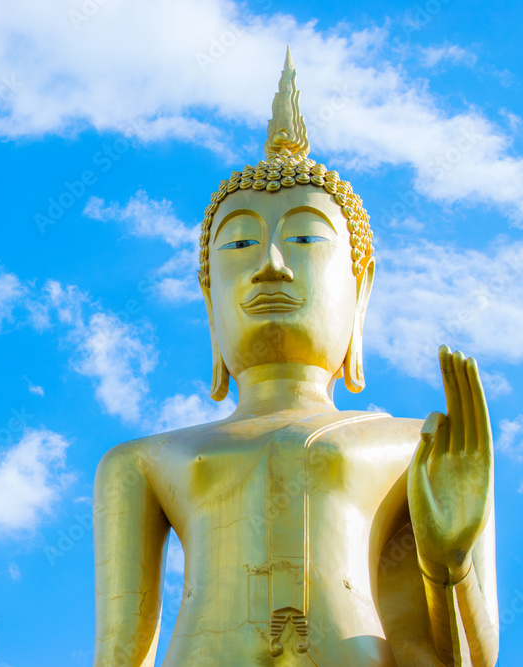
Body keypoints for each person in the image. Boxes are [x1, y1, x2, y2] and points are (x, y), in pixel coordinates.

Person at [92, 48, 498, 666]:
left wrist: (450, 567)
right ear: (209, 294)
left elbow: (462, 656)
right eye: (241, 242)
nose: (270, 265)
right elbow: (119, 654)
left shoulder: (424, 449)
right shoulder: (141, 463)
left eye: (306, 238)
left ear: (359, 288)